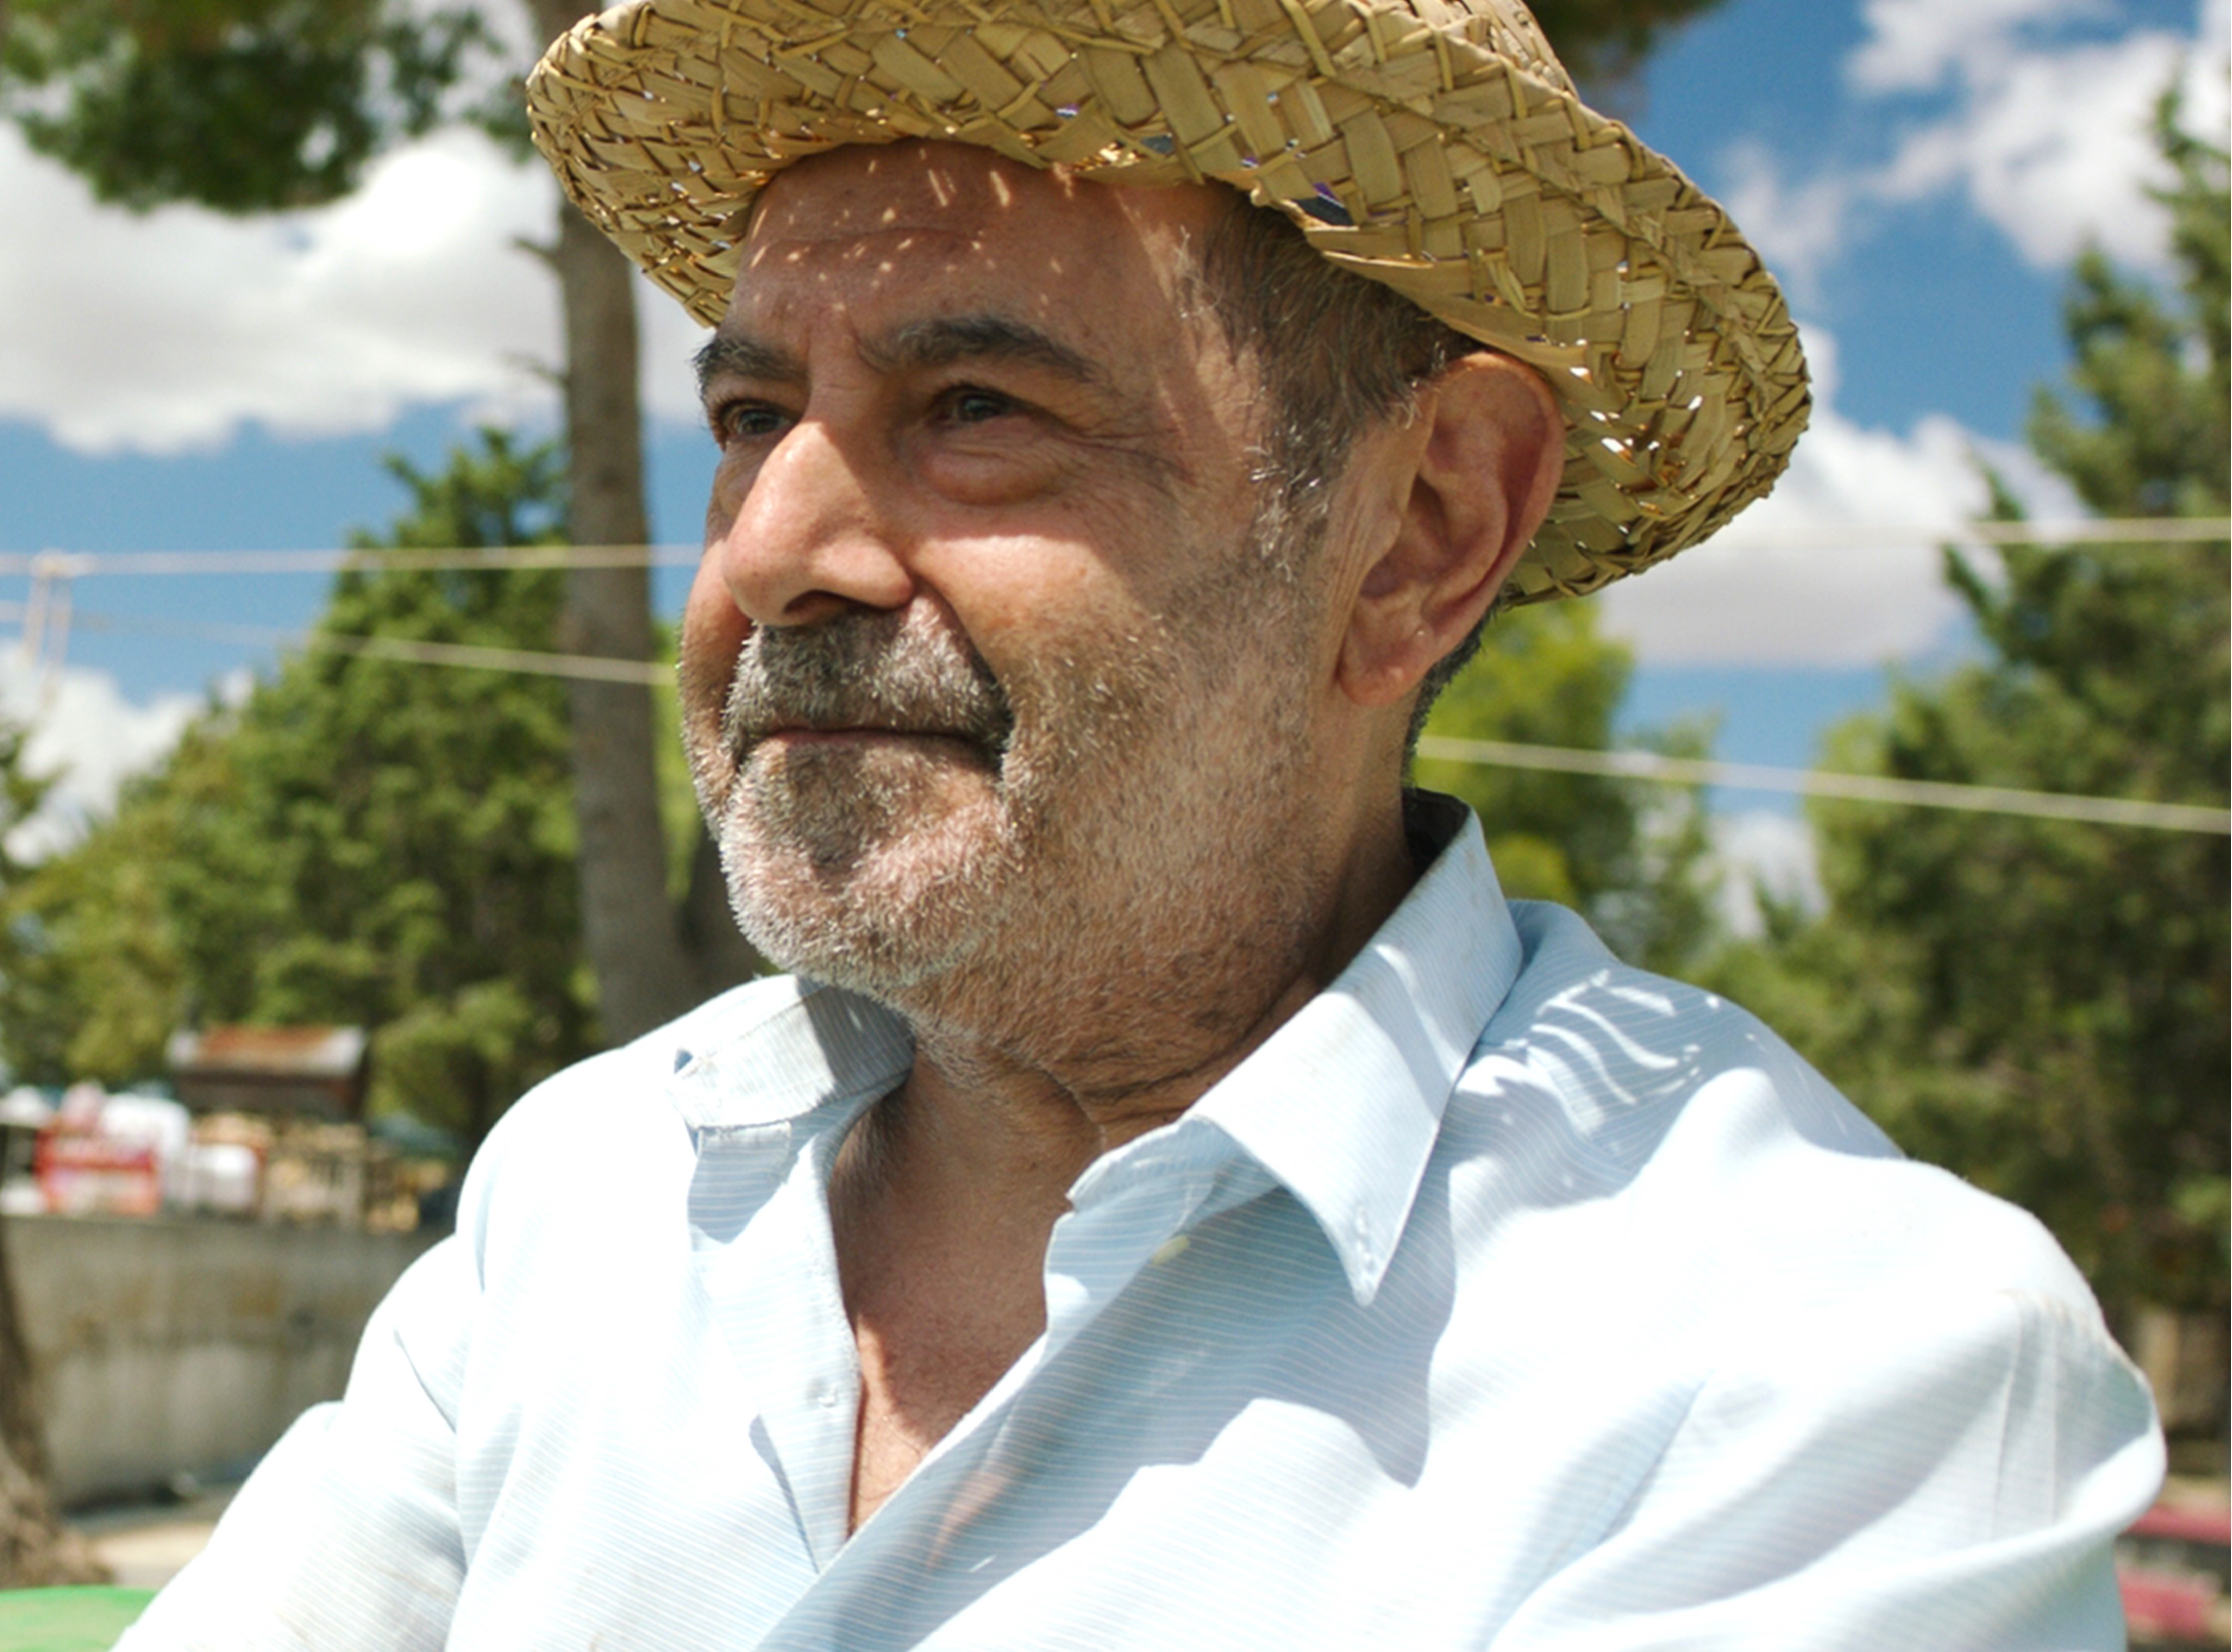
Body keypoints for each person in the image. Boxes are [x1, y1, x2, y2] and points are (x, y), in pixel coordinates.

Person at [118, 0, 2162, 1646]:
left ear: (1420, 531)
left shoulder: (1822, 1374)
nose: (774, 550)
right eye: (751, 419)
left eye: (978, 410)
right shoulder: (587, 1193)